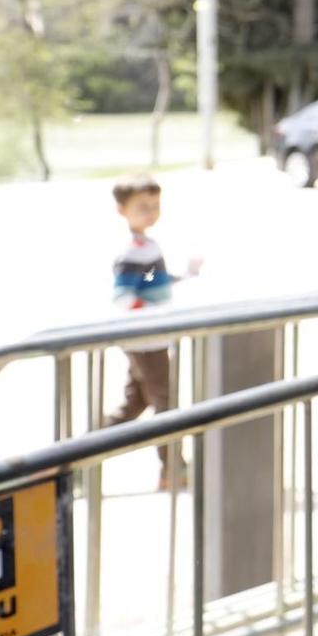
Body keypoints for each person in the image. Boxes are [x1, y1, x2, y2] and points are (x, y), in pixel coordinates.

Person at [107, 173, 199, 490]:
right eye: (142, 207)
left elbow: (151, 282)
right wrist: (147, 315)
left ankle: (72, 456)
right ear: (123, 210)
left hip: (151, 337)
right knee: (165, 401)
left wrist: (185, 276)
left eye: (154, 206)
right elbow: (124, 296)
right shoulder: (131, 251)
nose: (150, 213)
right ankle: (173, 468)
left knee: (135, 403)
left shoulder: (146, 247)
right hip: (146, 339)